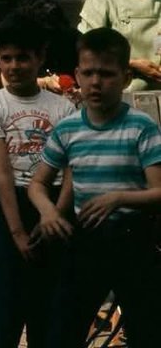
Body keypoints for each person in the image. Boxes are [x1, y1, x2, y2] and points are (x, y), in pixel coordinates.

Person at [28, 27, 161, 348]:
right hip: (86, 238)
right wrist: (47, 212)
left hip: (134, 239)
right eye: (88, 73)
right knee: (64, 328)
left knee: (147, 330)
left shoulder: (141, 127)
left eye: (107, 74)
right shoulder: (69, 128)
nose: (96, 82)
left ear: (126, 77)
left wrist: (117, 198)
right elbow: (38, 183)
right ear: (77, 74)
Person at [0, 13, 75, 348]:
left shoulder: (62, 109)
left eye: (23, 58)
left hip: (54, 204)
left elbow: (70, 168)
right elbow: (1, 171)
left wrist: (57, 215)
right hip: (9, 206)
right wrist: (16, 232)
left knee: (48, 312)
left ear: (40, 58)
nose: (14, 66)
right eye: (7, 58)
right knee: (4, 309)